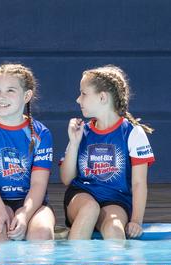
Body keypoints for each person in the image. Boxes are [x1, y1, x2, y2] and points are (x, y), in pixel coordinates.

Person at [60, 65, 154, 240]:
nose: (78, 100)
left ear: (102, 97)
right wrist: (74, 143)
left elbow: (139, 183)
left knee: (114, 229)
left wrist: (136, 220)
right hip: (82, 196)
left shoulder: (133, 133)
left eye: (84, 94)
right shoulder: (83, 131)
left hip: (116, 200)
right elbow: (66, 179)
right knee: (90, 209)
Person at [0, 63, 54, 242]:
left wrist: (25, 214)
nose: (1, 97)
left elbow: (38, 183)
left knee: (42, 233)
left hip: (29, 201)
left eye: (10, 91)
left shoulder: (41, 133)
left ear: (27, 95)